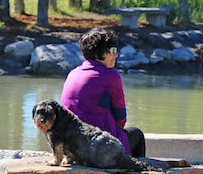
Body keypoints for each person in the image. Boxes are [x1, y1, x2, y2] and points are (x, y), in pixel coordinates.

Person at [61, 28, 146, 158]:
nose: (116, 55)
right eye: (113, 50)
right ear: (100, 53)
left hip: (72, 147)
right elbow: (121, 118)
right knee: (136, 134)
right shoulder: (110, 75)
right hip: (98, 147)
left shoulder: (73, 73)